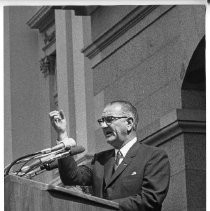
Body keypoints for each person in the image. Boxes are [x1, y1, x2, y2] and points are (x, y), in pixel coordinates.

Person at [49, 100, 170, 211]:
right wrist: (62, 135)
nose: (104, 126)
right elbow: (71, 177)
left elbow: (150, 199)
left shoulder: (153, 156)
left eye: (110, 119)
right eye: (102, 121)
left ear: (129, 123)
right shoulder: (100, 161)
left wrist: (103, 207)